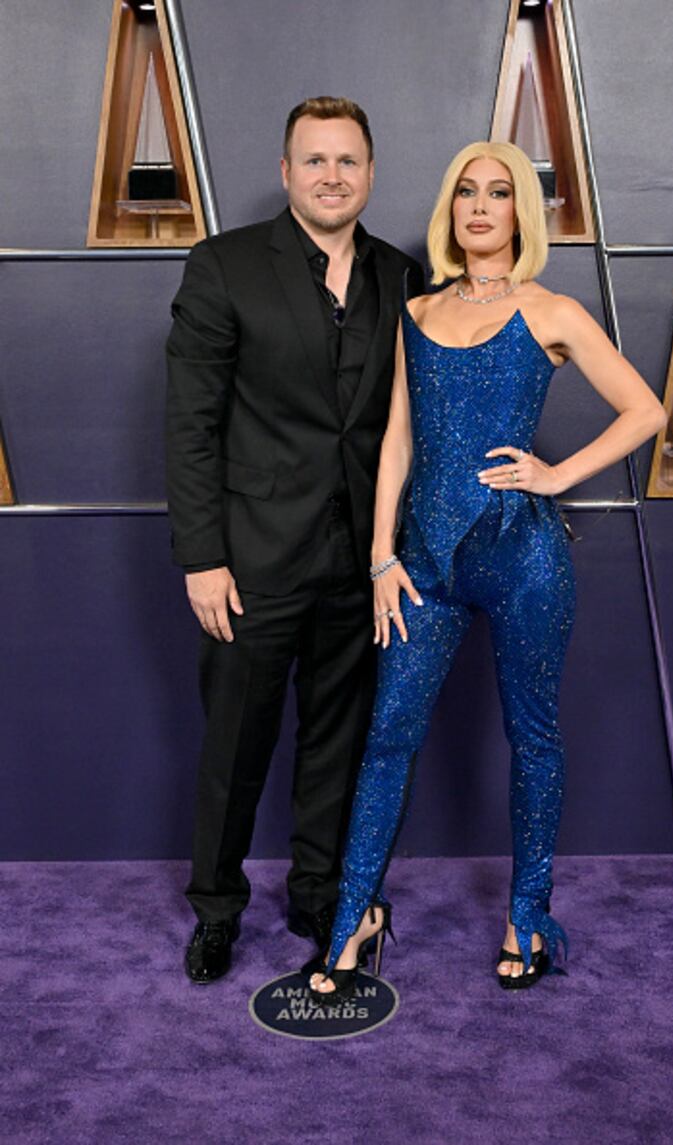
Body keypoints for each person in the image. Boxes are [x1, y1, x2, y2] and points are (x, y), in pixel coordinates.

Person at [306, 140, 666, 1002]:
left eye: (498, 192)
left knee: (533, 736)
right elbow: (398, 440)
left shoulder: (552, 311)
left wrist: (555, 473)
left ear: (519, 213)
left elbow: (646, 409)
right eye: (466, 190)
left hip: (523, 557)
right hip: (423, 561)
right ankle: (354, 918)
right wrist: (382, 555)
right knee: (388, 735)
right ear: (451, 207)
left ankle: (526, 918)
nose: (478, 206)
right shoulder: (416, 311)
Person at [166, 96, 424, 984]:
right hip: (251, 561)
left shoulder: (402, 276)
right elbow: (190, 425)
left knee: (337, 745)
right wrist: (203, 556)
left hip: (362, 563)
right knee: (235, 747)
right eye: (315, 160)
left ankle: (319, 895)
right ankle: (216, 910)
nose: (331, 176)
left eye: (348, 161)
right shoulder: (225, 265)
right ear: (286, 172)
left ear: (371, 173)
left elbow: (405, 422)